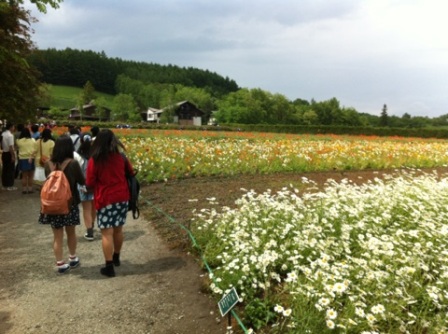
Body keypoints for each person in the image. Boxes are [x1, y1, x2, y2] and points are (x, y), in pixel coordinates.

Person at [86, 129, 135, 277]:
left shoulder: (95, 160)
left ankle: (109, 267)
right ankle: (116, 257)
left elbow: (90, 182)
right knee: (118, 230)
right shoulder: (121, 157)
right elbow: (131, 173)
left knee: (107, 233)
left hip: (106, 198)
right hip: (122, 197)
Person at [38, 135, 85, 274]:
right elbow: (82, 181)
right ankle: (73, 258)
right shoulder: (73, 163)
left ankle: (60, 263)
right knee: (71, 233)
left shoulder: (48, 164)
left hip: (53, 205)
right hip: (70, 203)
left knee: (57, 235)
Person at [77, 133, 96, 241]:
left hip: (83, 185)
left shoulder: (79, 156)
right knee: (94, 207)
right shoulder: (95, 157)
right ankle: (92, 225)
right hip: (94, 184)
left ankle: (89, 231)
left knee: (86, 209)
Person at [16, 128, 36, 194]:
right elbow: (35, 149)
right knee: (31, 175)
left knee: (24, 176)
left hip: (22, 159)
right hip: (31, 158)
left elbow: (17, 147)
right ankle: (30, 189)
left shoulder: (18, 141)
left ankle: (24, 189)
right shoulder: (33, 140)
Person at [1, 122, 17, 190]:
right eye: (13, 127)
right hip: (9, 154)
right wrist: (13, 156)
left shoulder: (3, 134)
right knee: (10, 170)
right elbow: (11, 147)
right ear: (10, 127)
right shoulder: (10, 135)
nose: (14, 128)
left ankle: (4, 185)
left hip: (4, 153)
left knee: (5, 169)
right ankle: (10, 185)